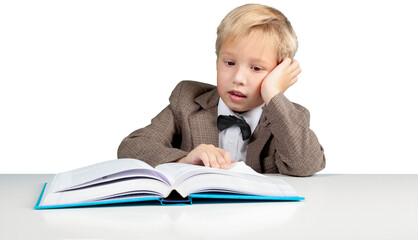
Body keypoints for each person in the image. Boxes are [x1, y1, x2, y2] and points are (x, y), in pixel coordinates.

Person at [118, 4, 325, 176]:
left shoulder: (287, 118)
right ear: (217, 61)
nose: (238, 78)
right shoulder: (188, 101)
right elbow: (131, 148)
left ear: (279, 72)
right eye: (229, 62)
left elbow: (305, 165)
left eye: (256, 68)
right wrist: (183, 160)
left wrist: (272, 92)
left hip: (261, 220)